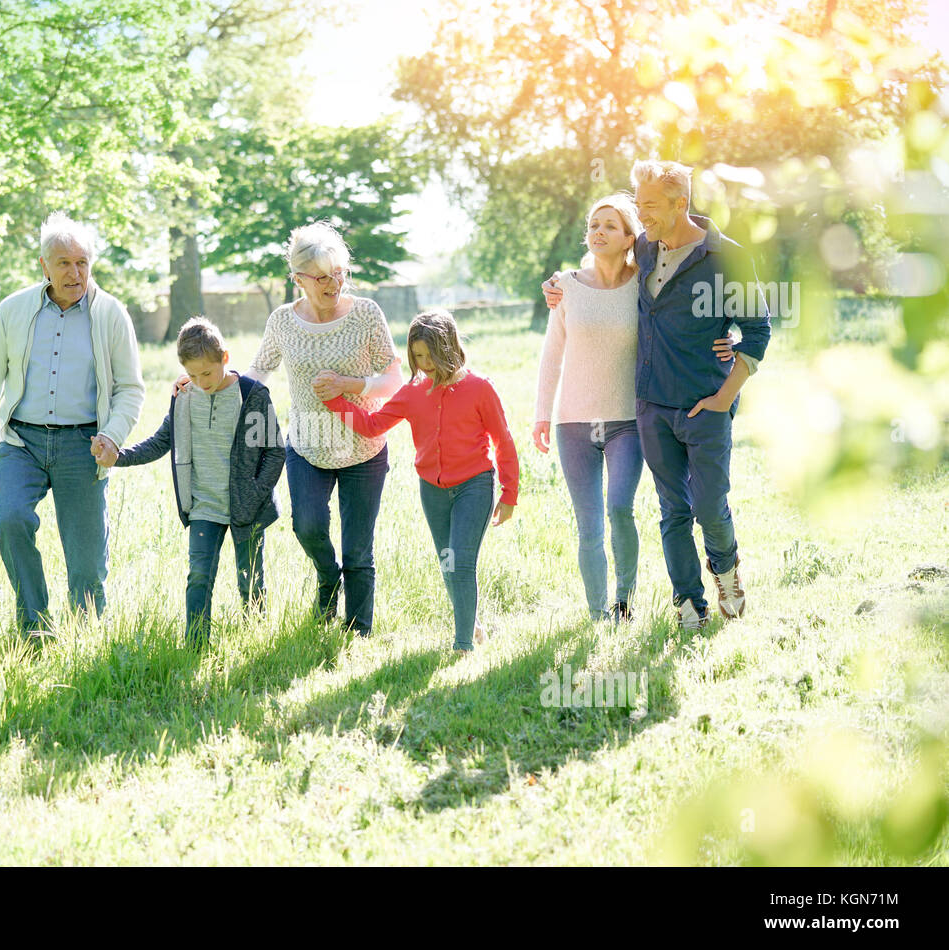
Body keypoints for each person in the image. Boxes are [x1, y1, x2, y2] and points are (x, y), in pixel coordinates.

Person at [542, 161, 771, 629]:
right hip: (651, 405)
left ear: (679, 204)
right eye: (638, 203)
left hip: (706, 401)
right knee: (673, 511)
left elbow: (757, 329)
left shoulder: (727, 257)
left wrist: (726, 395)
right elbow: (601, 270)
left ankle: (725, 568)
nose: (640, 213)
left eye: (648, 205)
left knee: (709, 504)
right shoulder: (645, 248)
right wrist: (557, 282)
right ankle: (689, 604)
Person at [209, 221, 402, 637]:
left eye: (339, 274)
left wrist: (352, 385)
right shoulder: (283, 321)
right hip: (308, 446)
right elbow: (259, 370)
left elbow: (394, 377)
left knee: (358, 549)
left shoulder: (366, 313)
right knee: (307, 526)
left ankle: (359, 632)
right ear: (299, 280)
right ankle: (327, 578)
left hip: (362, 447)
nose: (333, 284)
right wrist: (209, 382)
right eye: (321, 277)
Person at [0, 211, 145, 637]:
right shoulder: (12, 310)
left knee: (85, 560)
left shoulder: (111, 314)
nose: (74, 272)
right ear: (43, 266)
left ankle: (86, 638)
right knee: (10, 519)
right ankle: (34, 626)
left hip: (83, 446)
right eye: (63, 263)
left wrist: (113, 436)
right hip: (21, 443)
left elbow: (131, 390)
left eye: (82, 262)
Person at [322, 310, 518, 654]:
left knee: (460, 559)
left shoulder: (479, 388)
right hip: (433, 490)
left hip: (475, 484)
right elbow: (371, 425)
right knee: (448, 562)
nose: (424, 363)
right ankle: (471, 626)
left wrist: (509, 493)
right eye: (417, 357)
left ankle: (462, 646)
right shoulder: (412, 393)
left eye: (429, 355)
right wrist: (334, 400)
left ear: (449, 348)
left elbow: (502, 440)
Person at [94, 318, 285, 648]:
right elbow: (159, 442)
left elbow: (274, 452)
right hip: (202, 507)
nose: (201, 382)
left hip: (248, 508)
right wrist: (118, 456)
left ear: (224, 357)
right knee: (199, 576)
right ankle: (196, 646)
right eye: (193, 375)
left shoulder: (251, 395)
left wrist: (255, 494)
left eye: (207, 373)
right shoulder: (184, 396)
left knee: (250, 581)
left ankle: (256, 645)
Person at [533, 194, 645, 624]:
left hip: (626, 422)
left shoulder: (644, 285)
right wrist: (542, 414)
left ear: (628, 238)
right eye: (593, 224)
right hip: (573, 422)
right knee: (589, 524)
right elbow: (551, 355)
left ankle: (625, 602)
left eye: (609, 226)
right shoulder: (567, 286)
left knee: (620, 506)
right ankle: (599, 615)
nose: (598, 231)